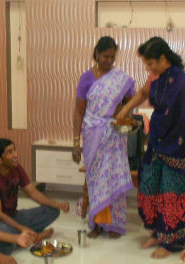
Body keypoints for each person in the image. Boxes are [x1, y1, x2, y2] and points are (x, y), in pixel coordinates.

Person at [116, 36, 185, 258]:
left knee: (171, 193)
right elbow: (143, 93)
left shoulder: (182, 82)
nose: (148, 68)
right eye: (146, 64)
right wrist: (125, 109)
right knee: (150, 186)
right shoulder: (156, 78)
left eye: (150, 63)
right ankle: (157, 233)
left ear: (163, 58)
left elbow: (184, 118)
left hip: (178, 147)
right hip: (158, 143)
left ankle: (172, 242)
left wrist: (169, 136)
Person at [72, 36, 135, 239]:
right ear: (97, 54)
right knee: (96, 179)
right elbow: (79, 111)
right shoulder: (86, 78)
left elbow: (130, 103)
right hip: (93, 134)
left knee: (113, 177)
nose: (109, 61)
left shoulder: (120, 79)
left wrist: (123, 113)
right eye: (105, 56)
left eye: (112, 57)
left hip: (115, 135)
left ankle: (115, 224)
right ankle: (98, 224)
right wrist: (75, 142)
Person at [0, 138, 69, 243]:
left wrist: (57, 204)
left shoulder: (16, 167)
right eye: (9, 152)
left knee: (53, 210)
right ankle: (35, 236)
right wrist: (21, 228)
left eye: (14, 150)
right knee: (4, 234)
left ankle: (26, 236)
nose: (15, 155)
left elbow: (32, 192)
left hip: (14, 216)